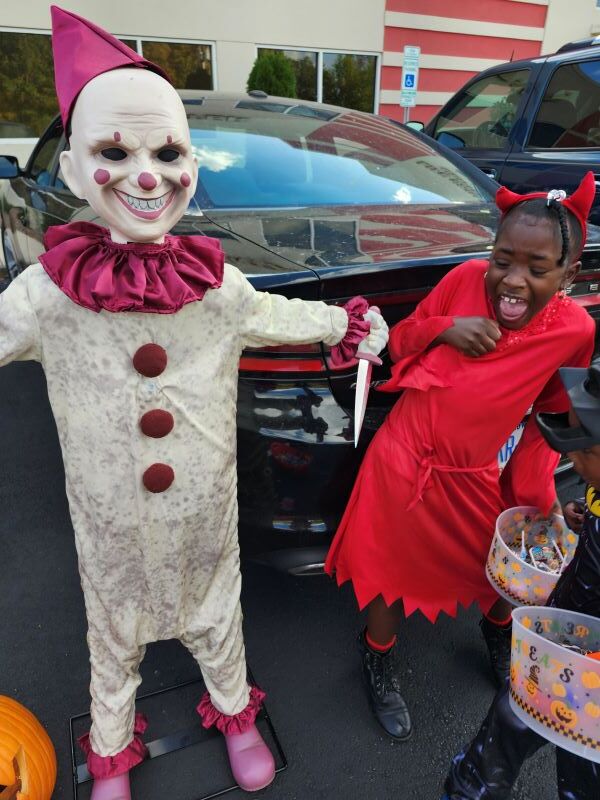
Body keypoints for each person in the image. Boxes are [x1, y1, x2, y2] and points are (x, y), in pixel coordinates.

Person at [0, 8, 389, 800]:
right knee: (113, 636)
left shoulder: (215, 287)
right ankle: (112, 748)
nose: (147, 174)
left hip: (204, 513)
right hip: (106, 522)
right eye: (116, 151)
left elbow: (283, 318)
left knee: (218, 616)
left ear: (191, 165)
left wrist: (349, 325)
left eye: (167, 151)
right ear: (74, 172)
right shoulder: (46, 294)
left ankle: (234, 710)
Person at [325, 173, 597, 742]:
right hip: (405, 460)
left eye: (536, 268)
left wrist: (534, 495)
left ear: (569, 275)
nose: (511, 281)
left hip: (474, 474)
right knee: (388, 576)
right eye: (503, 259)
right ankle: (377, 654)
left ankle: (499, 635)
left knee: (501, 572)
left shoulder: (575, 330)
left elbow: (546, 423)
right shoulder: (464, 279)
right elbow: (397, 343)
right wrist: (446, 329)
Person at [442, 358, 600, 800]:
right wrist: (582, 519)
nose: (571, 457)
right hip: (554, 646)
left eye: (586, 450)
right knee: (508, 729)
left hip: (586, 671)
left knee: (581, 765)